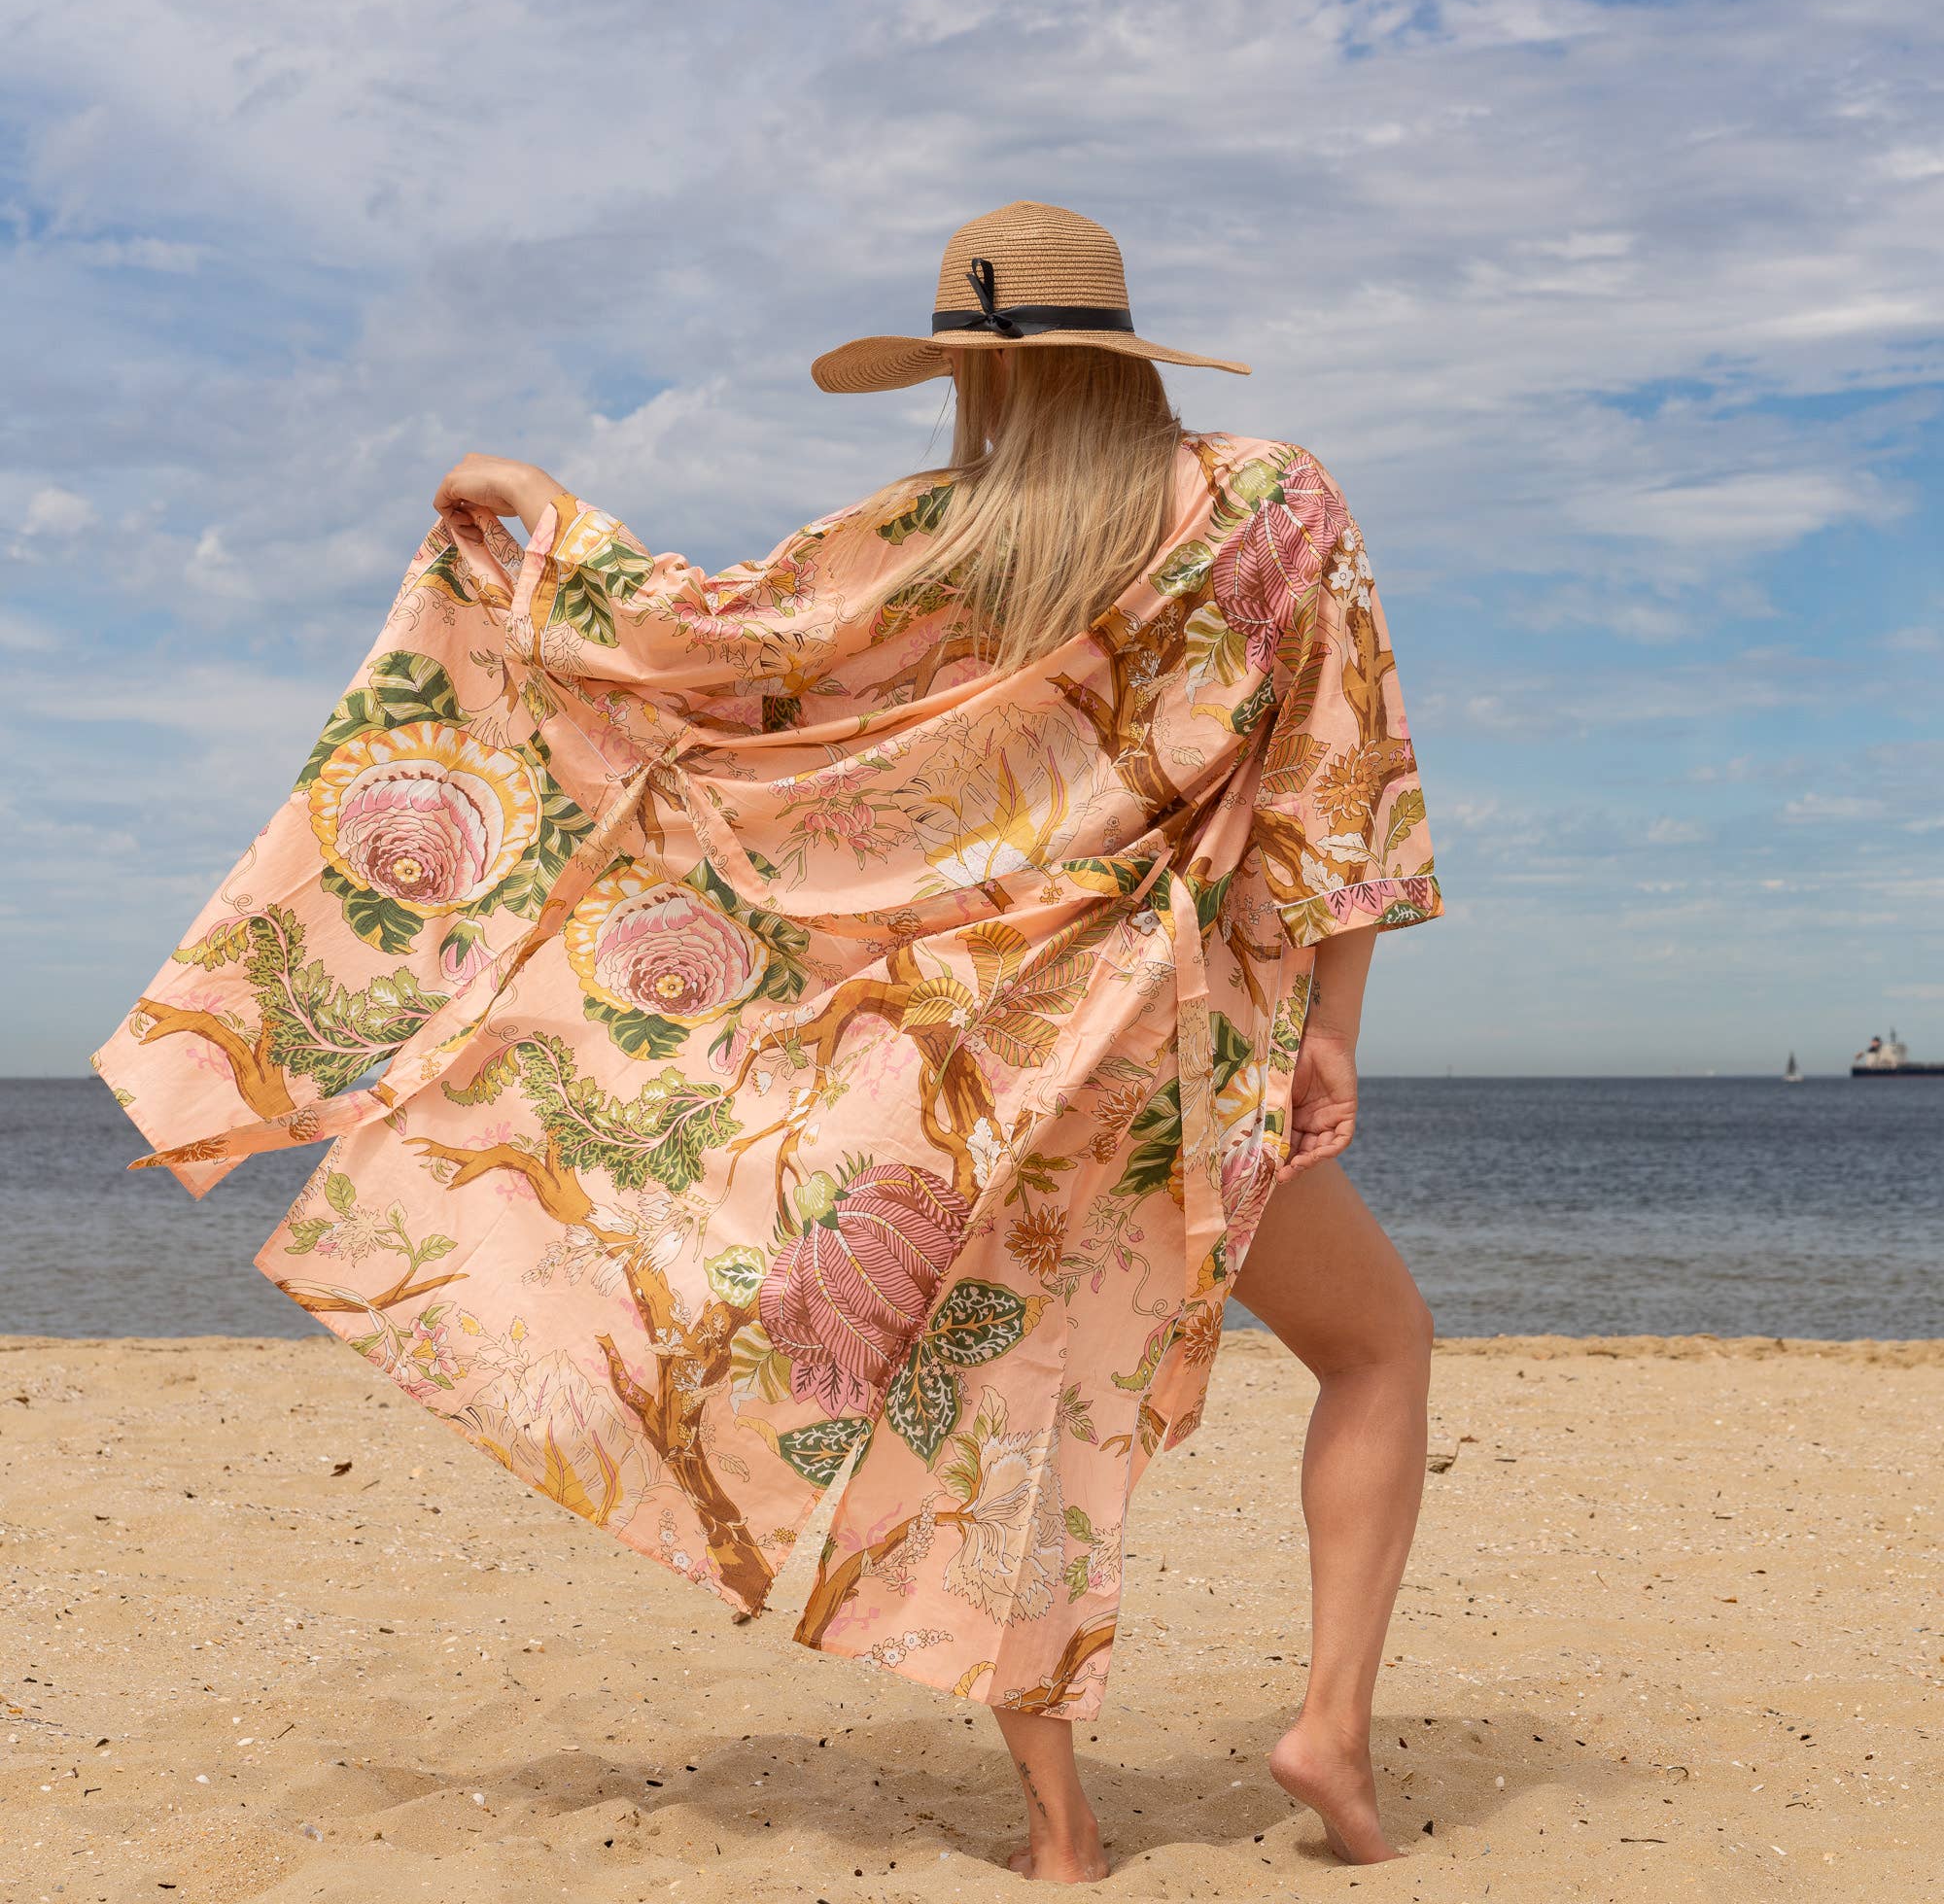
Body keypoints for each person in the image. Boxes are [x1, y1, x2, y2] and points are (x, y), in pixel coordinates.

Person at [98, 201, 1442, 1884]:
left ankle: (1061, 1830)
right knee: (1379, 1350)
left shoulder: (934, 537)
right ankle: (1329, 1726)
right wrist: (1335, 1029)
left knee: (995, 1422)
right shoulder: (1274, 503)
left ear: (964, 365)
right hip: (1186, 1052)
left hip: (964, 1066)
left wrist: (540, 513)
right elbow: (1344, 779)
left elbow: (707, 640)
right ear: (1123, 351)